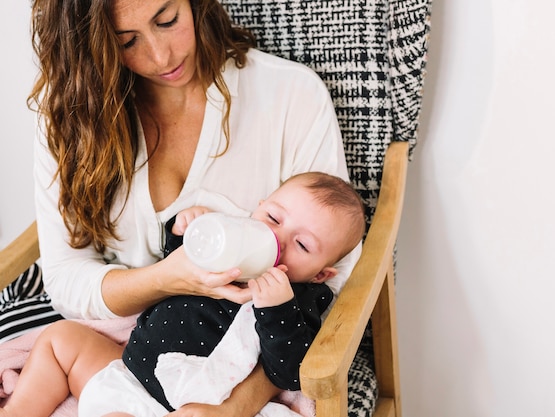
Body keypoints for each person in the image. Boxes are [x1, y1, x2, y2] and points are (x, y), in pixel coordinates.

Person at [4, 0, 361, 416]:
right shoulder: (69, 112)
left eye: (168, 20)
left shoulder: (290, 96)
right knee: (60, 341)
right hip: (136, 350)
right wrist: (169, 272)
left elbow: (331, 292)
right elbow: (67, 280)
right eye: (126, 41)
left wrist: (230, 408)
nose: (161, 57)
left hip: (225, 378)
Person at [0, 172, 366, 417]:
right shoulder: (228, 241)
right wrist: (183, 231)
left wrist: (276, 309)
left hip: (195, 405)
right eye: (273, 218)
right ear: (257, 207)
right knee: (62, 338)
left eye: (302, 244)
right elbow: (175, 267)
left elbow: (289, 372)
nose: (279, 240)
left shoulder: (301, 300)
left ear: (321, 274)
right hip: (130, 374)